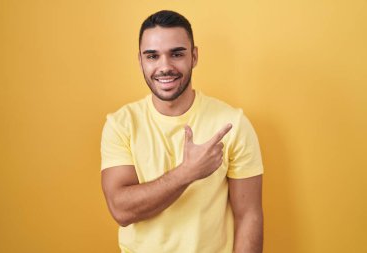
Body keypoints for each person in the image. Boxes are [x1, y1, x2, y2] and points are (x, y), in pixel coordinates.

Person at [101, 10, 264, 253]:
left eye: (176, 54)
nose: (164, 67)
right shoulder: (120, 124)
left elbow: (249, 216)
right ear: (140, 61)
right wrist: (187, 172)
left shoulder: (233, 123)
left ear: (194, 56)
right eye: (152, 56)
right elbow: (122, 210)